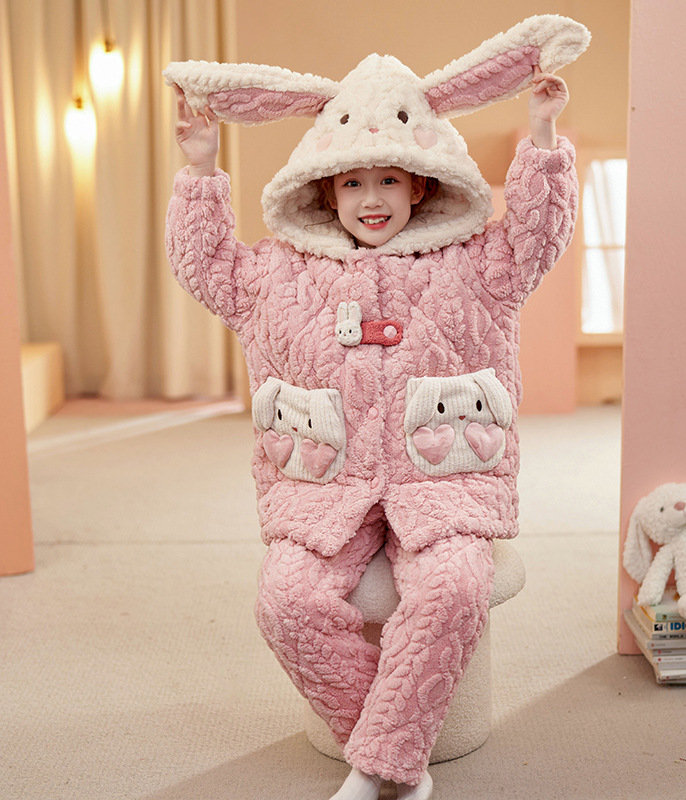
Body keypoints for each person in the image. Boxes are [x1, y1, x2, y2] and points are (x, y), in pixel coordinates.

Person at [165, 16, 587, 800]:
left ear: (421, 183)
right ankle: (398, 754)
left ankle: (375, 769)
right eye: (352, 183)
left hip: (443, 475)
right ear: (325, 190)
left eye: (388, 181)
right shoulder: (280, 275)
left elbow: (537, 234)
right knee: (285, 601)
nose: (371, 199)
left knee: (455, 587)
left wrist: (542, 137)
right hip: (325, 484)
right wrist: (200, 171)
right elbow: (207, 264)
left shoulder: (477, 266)